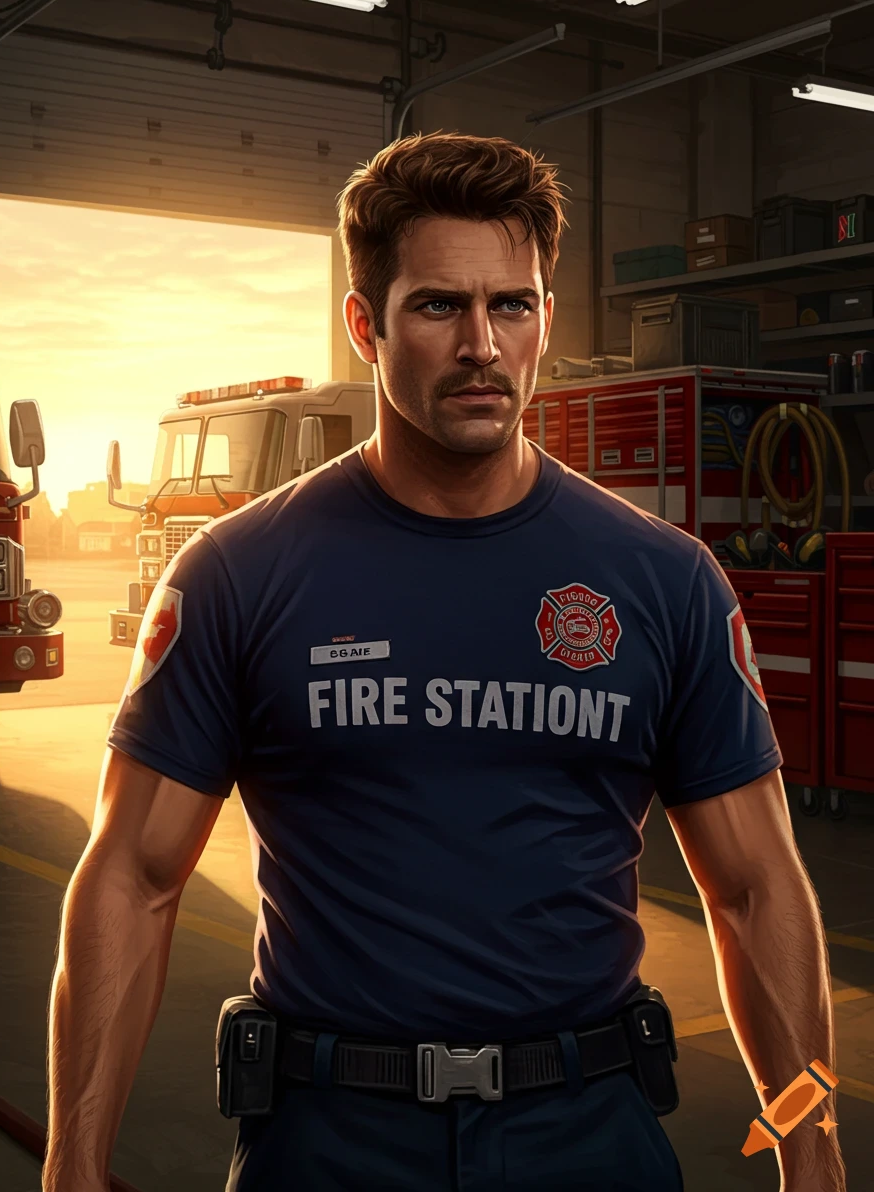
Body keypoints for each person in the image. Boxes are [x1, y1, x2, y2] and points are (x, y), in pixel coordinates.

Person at [42, 132, 845, 1192]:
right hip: (328, 1139)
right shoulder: (240, 574)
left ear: (545, 318)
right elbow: (134, 876)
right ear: (364, 325)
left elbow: (753, 889)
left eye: (511, 304)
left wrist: (812, 1146)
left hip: (588, 1134)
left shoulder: (664, 581)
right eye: (437, 305)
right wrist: (71, 1158)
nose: (481, 342)